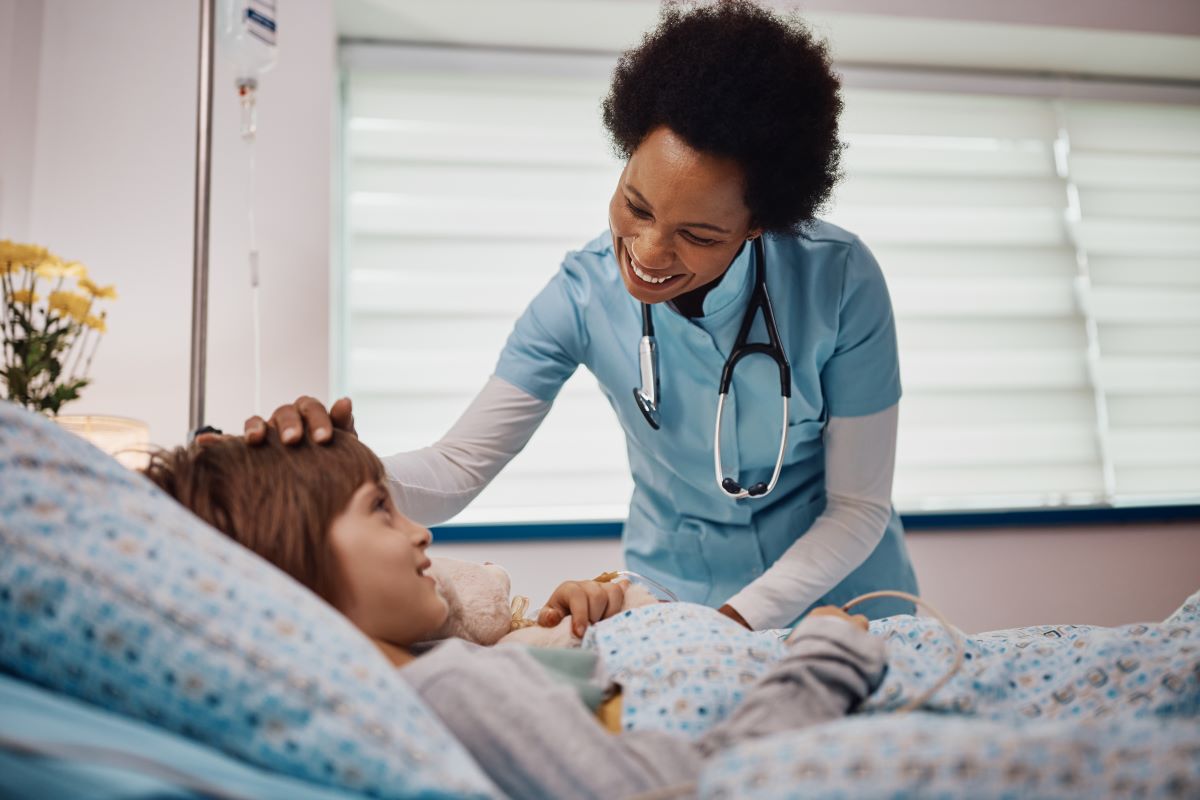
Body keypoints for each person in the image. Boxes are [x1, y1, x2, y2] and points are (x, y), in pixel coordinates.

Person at [249, 0, 918, 631]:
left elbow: (858, 506)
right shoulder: (578, 297)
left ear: (759, 225)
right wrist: (321, 466)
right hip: (674, 597)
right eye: (637, 206)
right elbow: (455, 471)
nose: (650, 252)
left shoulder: (838, 280)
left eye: (699, 235)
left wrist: (735, 626)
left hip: (845, 604)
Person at [143, 430, 886, 800]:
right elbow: (667, 788)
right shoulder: (454, 694)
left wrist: (557, 635)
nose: (419, 532)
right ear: (293, 566)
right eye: (379, 509)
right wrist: (825, 661)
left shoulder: (437, 674)